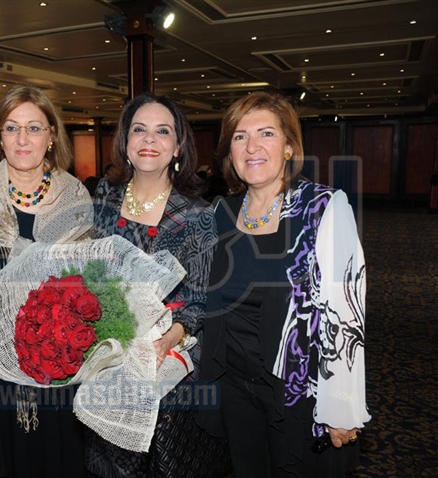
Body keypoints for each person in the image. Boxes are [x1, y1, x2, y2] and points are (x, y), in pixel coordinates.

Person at [199, 90, 370, 477]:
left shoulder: (322, 207)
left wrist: (341, 405)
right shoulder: (222, 212)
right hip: (235, 389)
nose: (252, 146)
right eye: (240, 136)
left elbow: (346, 317)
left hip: (298, 393)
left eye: (267, 133)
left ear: (289, 146)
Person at [86, 93, 229, 478]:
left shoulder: (197, 214)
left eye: (162, 131)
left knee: (156, 463)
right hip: (105, 353)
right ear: (125, 141)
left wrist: (171, 336)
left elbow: (198, 300)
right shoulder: (106, 195)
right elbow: (92, 267)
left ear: (178, 146)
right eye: (139, 130)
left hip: (163, 362)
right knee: (105, 462)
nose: (149, 139)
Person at [0, 85, 93, 477]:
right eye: (11, 128)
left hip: (60, 357)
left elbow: (87, 280)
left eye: (34, 128)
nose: (22, 139)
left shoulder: (75, 198)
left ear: (51, 135)